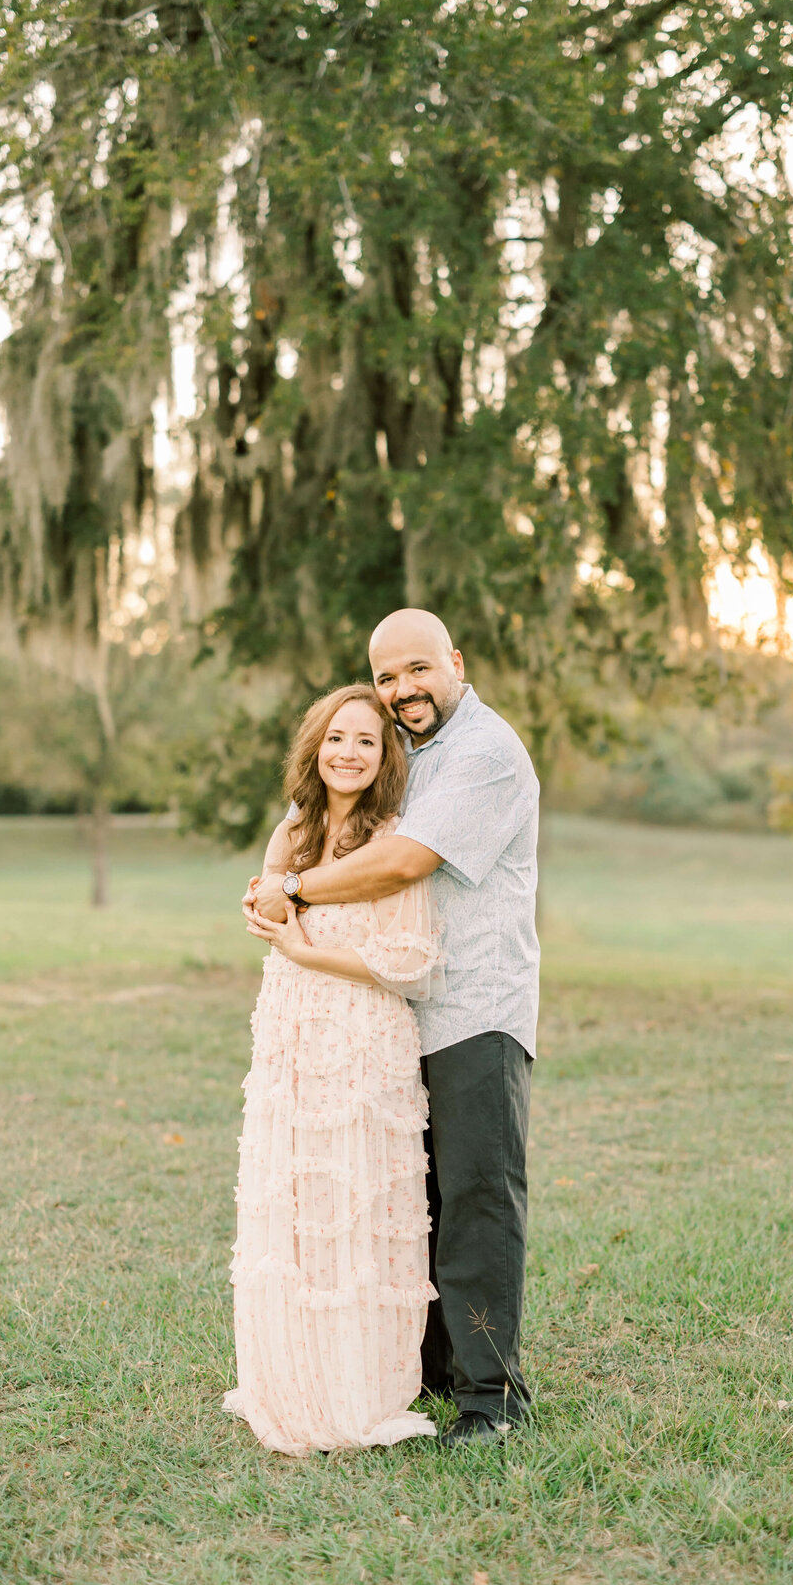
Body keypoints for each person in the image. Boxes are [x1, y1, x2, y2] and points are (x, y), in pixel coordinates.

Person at [249, 610, 539, 1448]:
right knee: (424, 1201)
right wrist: (276, 876)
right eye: (386, 678)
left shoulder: (483, 752)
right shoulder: (413, 753)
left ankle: (493, 1401)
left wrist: (294, 892)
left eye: (418, 670)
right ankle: (434, 1374)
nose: (403, 690)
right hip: (398, 1015)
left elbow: (406, 861)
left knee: (479, 1199)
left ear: (454, 662)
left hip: (473, 1006)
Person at [225, 683, 443, 1456]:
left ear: (384, 759)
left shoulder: (393, 839)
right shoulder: (295, 830)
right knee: (296, 1200)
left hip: (363, 1036)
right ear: (315, 748)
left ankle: (358, 1385)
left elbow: (411, 960)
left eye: (366, 742)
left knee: (355, 1206)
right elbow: (267, 912)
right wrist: (272, 904)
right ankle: (292, 1376)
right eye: (336, 738)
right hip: (290, 1035)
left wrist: (306, 947)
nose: (349, 753)